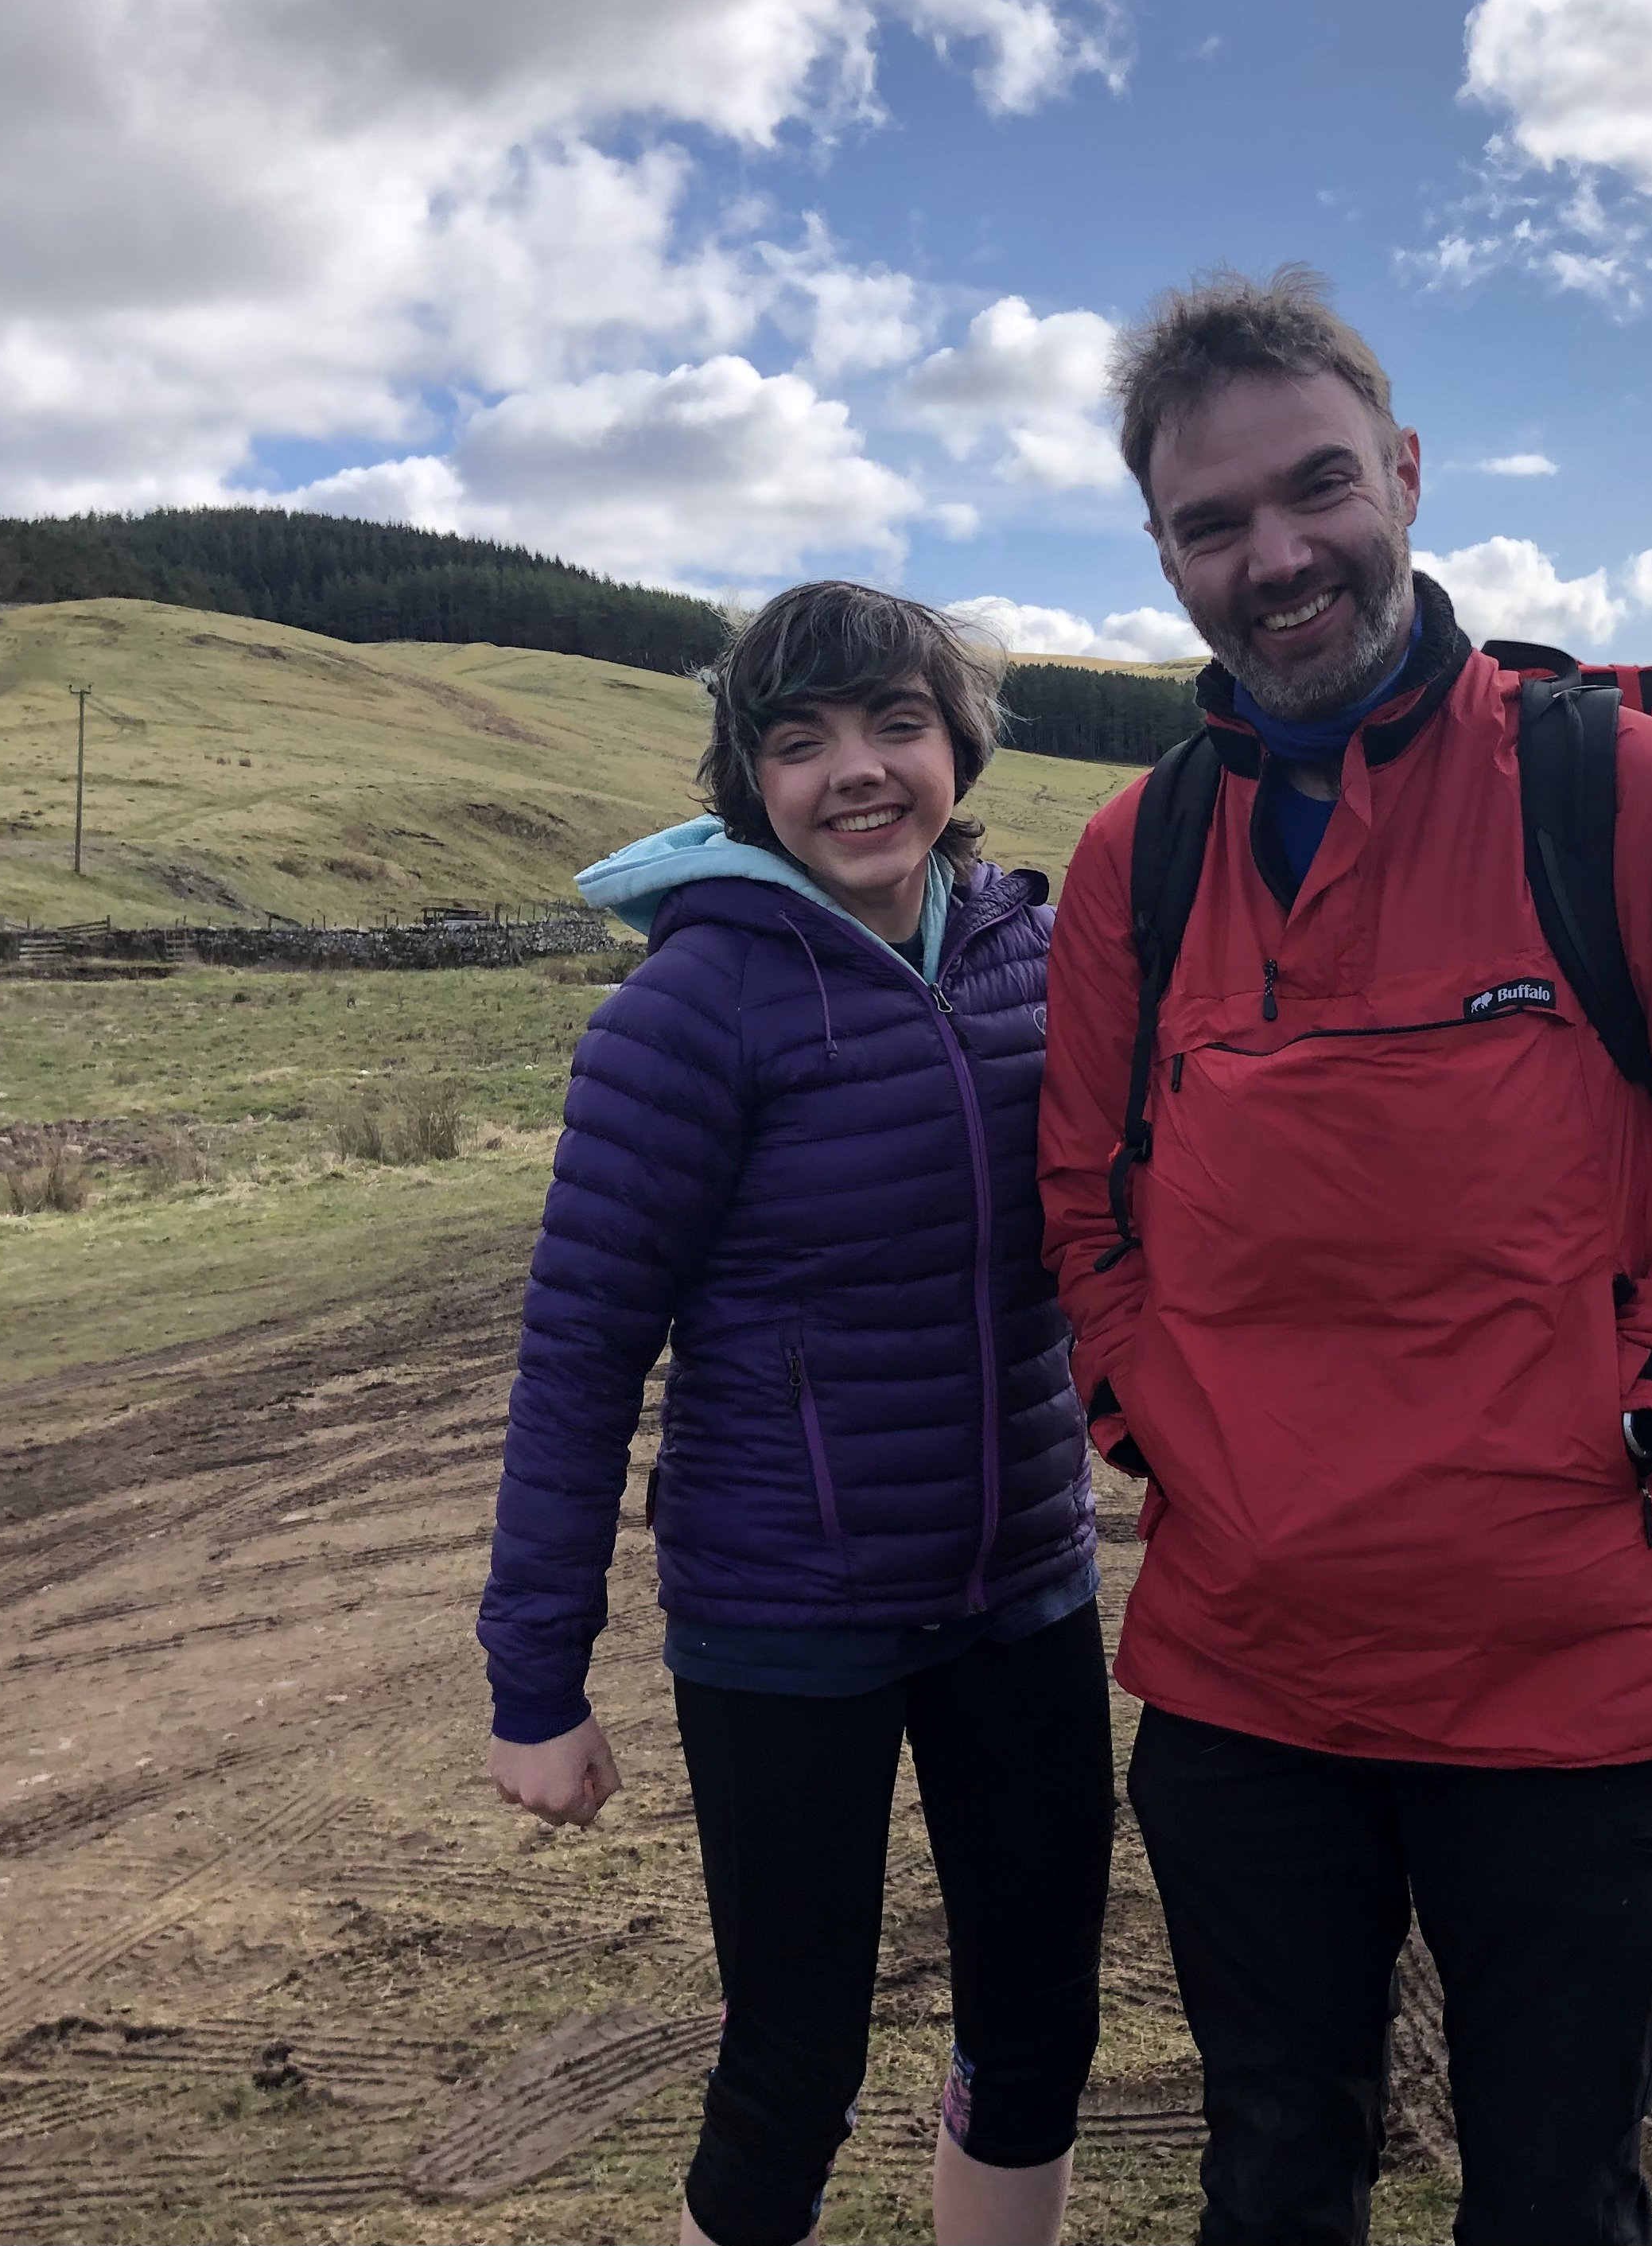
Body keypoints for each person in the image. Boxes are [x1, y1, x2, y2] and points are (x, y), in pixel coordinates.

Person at [1036, 268, 1652, 2246]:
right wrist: (1152, 1412)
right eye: (1212, 524)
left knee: (1554, 2197)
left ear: (1403, 473)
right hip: (1246, 1671)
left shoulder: (1620, 788)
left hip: (1568, 1661)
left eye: (1315, 487)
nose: (1278, 555)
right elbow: (1083, 1210)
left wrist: (1645, 1405)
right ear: (1163, 555)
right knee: (1271, 2171)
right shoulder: (1128, 864)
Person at [479, 582, 1114, 2246]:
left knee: (1043, 2024)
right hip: (786, 1614)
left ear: (959, 746)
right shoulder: (691, 1009)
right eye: (800, 738)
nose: (857, 769)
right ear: (743, 777)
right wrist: (535, 1680)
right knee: (793, 2061)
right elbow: (577, 1354)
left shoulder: (1029, 955)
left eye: (897, 723)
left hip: (1022, 1586)